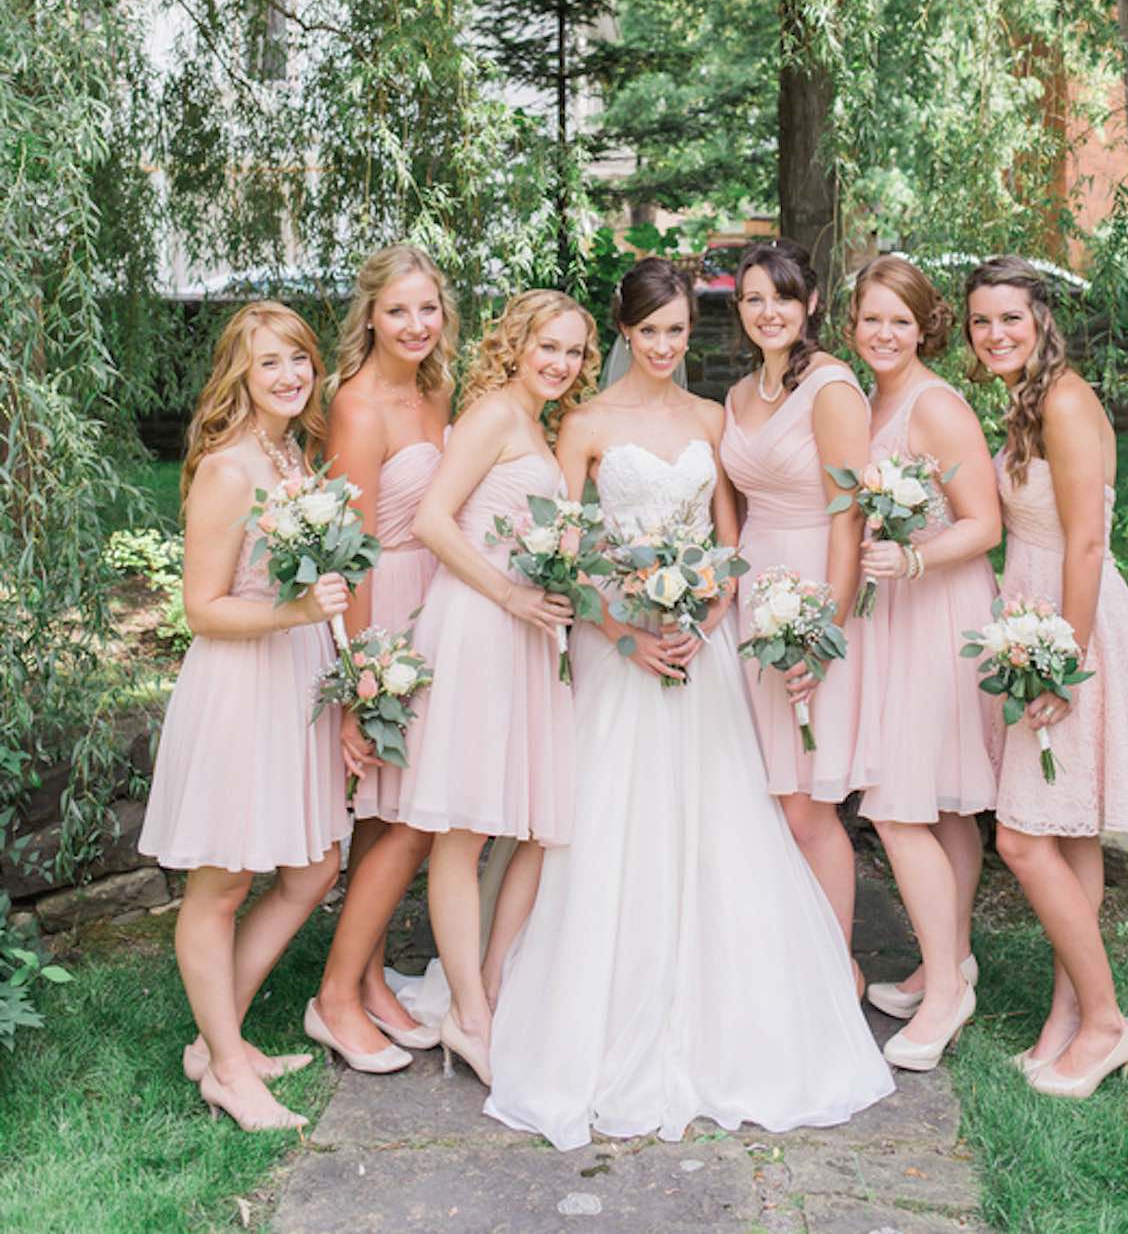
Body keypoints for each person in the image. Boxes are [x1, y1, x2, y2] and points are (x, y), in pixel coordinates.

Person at [484, 257, 894, 1149]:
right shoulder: (586, 423)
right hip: (619, 652)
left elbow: (730, 543)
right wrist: (626, 632)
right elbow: (564, 550)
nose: (666, 346)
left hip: (701, 656)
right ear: (623, 333)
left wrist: (700, 618)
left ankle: (735, 1007)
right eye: (650, 331)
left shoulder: (714, 417)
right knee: (602, 829)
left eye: (679, 330)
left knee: (723, 824)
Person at [305, 290, 597, 1086]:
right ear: (515, 342)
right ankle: (469, 1015)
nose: (560, 363)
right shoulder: (498, 415)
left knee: (535, 823)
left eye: (573, 352)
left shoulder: (535, 423)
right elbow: (433, 520)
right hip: (477, 627)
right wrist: (511, 596)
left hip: (525, 637)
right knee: (456, 827)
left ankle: (482, 991)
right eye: (547, 346)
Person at [965, 256, 1128, 1098]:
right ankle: (1066, 1019)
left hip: (1075, 626)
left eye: (1010, 320)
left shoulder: (1062, 402)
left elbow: (1088, 541)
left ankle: (1105, 1020)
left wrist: (1063, 656)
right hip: (1047, 618)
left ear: (1041, 321)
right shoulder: (1031, 397)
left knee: (1024, 839)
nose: (994, 334)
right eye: (981, 321)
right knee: (1065, 833)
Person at [138, 302, 348, 1131]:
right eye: (270, 364)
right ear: (240, 374)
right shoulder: (230, 469)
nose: (291, 375)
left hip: (294, 677)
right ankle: (228, 1066)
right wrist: (297, 616)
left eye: (299, 359)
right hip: (240, 684)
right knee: (222, 884)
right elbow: (200, 608)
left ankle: (213, 1038)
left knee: (311, 869)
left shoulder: (291, 451)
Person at [847, 256, 1002, 1073]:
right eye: (872, 319)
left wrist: (911, 563)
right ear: (853, 322)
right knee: (940, 805)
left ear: (923, 327)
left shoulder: (936, 406)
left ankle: (946, 992)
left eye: (899, 322)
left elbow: (984, 522)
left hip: (939, 609)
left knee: (900, 806)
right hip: (895, 614)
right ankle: (953, 958)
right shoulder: (870, 399)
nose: (884, 333)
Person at [307, 245, 455, 1070]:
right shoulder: (358, 409)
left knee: (394, 816)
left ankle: (364, 980)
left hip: (442, 608)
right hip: (386, 614)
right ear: (370, 315)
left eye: (427, 308)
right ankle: (333, 999)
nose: (415, 325)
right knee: (405, 817)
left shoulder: (436, 388)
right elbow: (347, 550)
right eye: (398, 310)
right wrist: (361, 678)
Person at [719, 238, 872, 973]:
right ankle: (788, 959)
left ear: (810, 303)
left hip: (814, 585)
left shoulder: (832, 388)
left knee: (809, 800)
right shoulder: (741, 394)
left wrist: (825, 631)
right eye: (753, 298)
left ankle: (835, 966)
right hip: (755, 591)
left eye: (782, 296)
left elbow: (850, 517)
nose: (768, 311)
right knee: (771, 791)